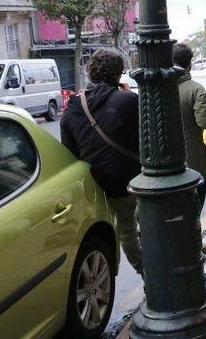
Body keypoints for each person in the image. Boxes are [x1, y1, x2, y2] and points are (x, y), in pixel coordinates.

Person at [61, 49, 144, 274]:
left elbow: (70, 153)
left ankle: (127, 275)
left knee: (117, 233)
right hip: (134, 178)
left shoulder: (72, 109)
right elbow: (146, 138)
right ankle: (153, 275)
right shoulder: (128, 99)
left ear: (90, 73)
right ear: (118, 74)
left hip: (98, 184)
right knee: (137, 226)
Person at [173, 43, 206, 211]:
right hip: (193, 162)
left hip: (163, 169)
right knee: (193, 211)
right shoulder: (196, 89)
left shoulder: (159, 89)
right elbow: (205, 121)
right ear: (189, 63)